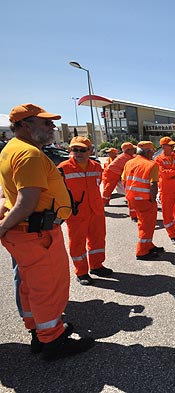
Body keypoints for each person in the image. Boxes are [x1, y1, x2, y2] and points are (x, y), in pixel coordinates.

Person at [0, 103, 94, 360]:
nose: (52, 126)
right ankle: (53, 341)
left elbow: (7, 194)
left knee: (31, 287)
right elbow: (26, 200)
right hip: (37, 234)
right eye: (46, 122)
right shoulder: (29, 154)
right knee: (48, 288)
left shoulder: (12, 149)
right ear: (25, 125)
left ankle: (39, 334)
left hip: (27, 233)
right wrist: (4, 227)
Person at [58, 136, 112, 286]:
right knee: (77, 243)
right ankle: (81, 272)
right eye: (75, 149)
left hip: (96, 210)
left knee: (98, 239)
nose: (78, 153)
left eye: (82, 150)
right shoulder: (63, 168)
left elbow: (97, 184)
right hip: (76, 213)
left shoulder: (96, 166)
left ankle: (96, 265)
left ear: (90, 151)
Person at [122, 141, 164, 260]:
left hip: (133, 199)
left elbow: (124, 180)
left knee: (144, 224)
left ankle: (148, 245)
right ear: (148, 151)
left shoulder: (129, 162)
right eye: (153, 151)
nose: (153, 153)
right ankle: (142, 251)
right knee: (147, 226)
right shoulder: (151, 164)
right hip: (145, 200)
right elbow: (153, 184)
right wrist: (152, 199)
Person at [102, 141, 136, 214]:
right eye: (132, 149)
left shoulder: (125, 156)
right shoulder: (126, 157)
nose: (134, 150)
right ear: (128, 150)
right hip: (112, 172)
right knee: (109, 186)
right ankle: (104, 201)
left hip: (112, 172)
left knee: (109, 186)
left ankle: (105, 200)